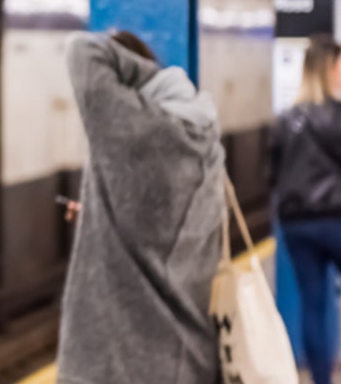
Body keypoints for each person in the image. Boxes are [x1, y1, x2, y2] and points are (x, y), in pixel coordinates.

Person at [57, 31, 224, 384]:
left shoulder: (135, 131)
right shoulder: (204, 143)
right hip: (189, 362)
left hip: (115, 367)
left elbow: (80, 49)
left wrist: (135, 70)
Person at [270, 34, 341, 384]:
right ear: (331, 69)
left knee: (312, 304)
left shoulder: (285, 120)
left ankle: (319, 380)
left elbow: (272, 175)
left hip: (298, 225)